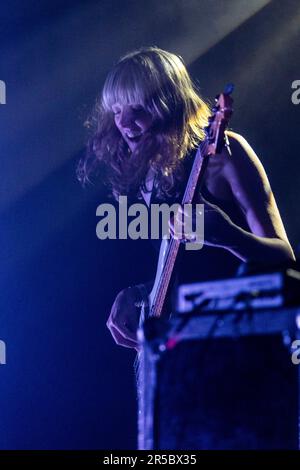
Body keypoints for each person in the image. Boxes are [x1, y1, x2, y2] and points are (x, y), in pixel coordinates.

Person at [78, 46, 295, 350]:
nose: (125, 123)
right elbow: (188, 273)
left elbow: (285, 260)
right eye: (116, 111)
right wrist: (141, 293)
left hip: (243, 348)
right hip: (188, 355)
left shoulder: (223, 155)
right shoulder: (146, 175)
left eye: (137, 108)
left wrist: (230, 236)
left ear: (170, 104)